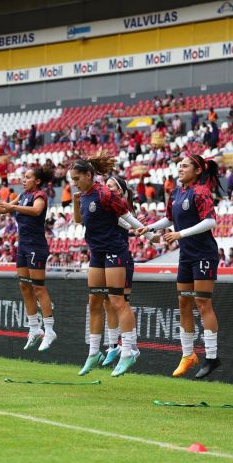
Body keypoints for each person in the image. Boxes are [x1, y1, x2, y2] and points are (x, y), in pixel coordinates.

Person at [138, 154, 222, 379]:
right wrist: (149, 228)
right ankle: (188, 355)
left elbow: (211, 221)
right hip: (186, 255)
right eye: (179, 165)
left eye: (185, 166)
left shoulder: (201, 191)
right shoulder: (176, 192)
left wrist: (180, 234)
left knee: (203, 302)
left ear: (197, 170)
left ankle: (212, 357)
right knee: (183, 302)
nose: (180, 168)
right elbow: (167, 219)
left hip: (204, 254)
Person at [0, 164, 58, 352]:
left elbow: (36, 211)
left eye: (27, 177)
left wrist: (12, 206)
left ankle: (49, 330)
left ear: (37, 181)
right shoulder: (23, 196)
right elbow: (4, 209)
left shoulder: (39, 196)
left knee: (39, 288)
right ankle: (34, 328)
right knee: (24, 286)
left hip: (36, 246)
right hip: (23, 246)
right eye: (23, 177)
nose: (23, 180)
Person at [71, 150, 144, 377]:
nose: (74, 183)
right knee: (94, 301)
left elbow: (127, 216)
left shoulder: (104, 193)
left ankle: (128, 351)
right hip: (97, 253)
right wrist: (75, 202)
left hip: (115, 251)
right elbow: (80, 219)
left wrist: (148, 233)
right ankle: (94, 352)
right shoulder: (83, 196)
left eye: (76, 178)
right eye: (72, 180)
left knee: (117, 301)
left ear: (88, 175)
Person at [101, 173, 157, 367]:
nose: (108, 189)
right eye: (106, 185)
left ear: (122, 191)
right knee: (108, 303)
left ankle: (131, 346)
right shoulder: (108, 206)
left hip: (121, 258)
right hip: (108, 257)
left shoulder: (121, 209)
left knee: (121, 303)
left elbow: (135, 228)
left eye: (113, 186)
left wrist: (149, 232)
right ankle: (113, 345)